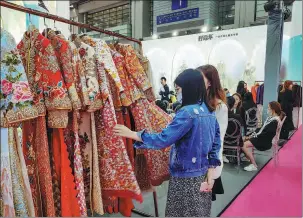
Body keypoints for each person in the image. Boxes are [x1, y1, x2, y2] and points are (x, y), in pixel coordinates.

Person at [114, 69, 221, 217]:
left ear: (188, 88)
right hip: (202, 174)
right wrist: (211, 168)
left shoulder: (186, 113)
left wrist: (133, 134)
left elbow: (163, 139)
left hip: (185, 177)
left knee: (180, 213)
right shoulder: (209, 111)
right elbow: (216, 143)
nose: (176, 92)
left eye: (178, 89)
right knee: (199, 212)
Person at [197, 64, 227, 202]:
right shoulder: (197, 102)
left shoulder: (219, 107)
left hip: (207, 162)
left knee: (202, 204)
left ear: (209, 82)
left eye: (200, 77)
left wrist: (211, 167)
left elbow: (218, 140)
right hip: (193, 161)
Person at [241, 101, 285, 171]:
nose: (267, 110)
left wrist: (251, 136)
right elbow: (263, 130)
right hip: (264, 138)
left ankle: (254, 164)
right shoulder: (274, 119)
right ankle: (248, 157)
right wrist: (252, 135)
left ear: (273, 110)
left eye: (268, 108)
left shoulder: (274, 121)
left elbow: (265, 133)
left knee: (243, 144)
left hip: (265, 142)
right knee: (245, 139)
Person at [223, 96, 245, 163]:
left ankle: (223, 154)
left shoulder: (221, 116)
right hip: (235, 141)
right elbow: (241, 130)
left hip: (223, 140)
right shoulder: (238, 117)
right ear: (233, 105)